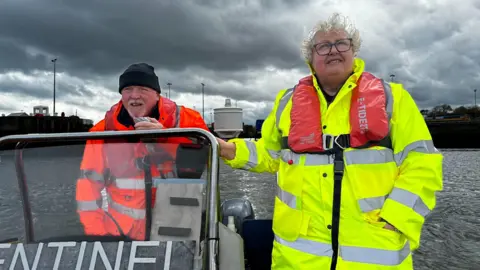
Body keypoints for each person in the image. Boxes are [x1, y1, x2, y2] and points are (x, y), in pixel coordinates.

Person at [217, 13, 443, 270]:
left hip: (374, 252)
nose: (333, 51)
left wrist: (398, 217)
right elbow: (269, 154)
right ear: (310, 58)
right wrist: (229, 149)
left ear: (354, 50)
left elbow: (423, 163)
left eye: (341, 43)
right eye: (323, 46)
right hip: (298, 258)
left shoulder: (393, 99)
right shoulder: (286, 103)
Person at [75, 63, 209, 241]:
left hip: (179, 233)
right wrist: (100, 238)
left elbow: (207, 160)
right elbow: (87, 191)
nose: (134, 95)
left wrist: (165, 138)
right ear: (121, 94)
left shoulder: (188, 121)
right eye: (128, 89)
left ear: (157, 94)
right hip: (121, 238)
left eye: (143, 89)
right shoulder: (103, 132)